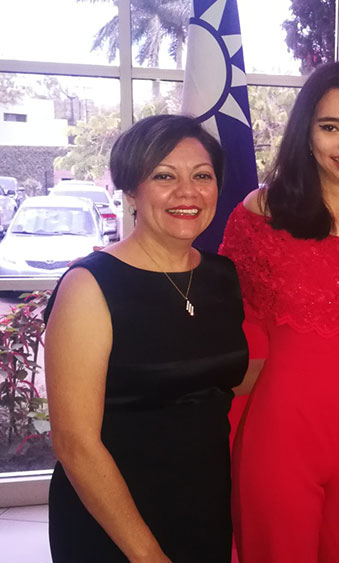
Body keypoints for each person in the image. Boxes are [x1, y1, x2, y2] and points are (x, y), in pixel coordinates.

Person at [219, 62, 339, 562]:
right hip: (280, 434)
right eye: (331, 126)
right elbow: (225, 316)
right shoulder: (261, 212)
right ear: (306, 134)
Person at [44, 115, 249, 562]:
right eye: (164, 176)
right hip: (113, 524)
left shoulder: (222, 276)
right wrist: (147, 555)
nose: (187, 192)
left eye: (202, 176)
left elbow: (217, 377)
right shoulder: (90, 286)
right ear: (131, 190)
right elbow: (74, 443)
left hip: (204, 509)